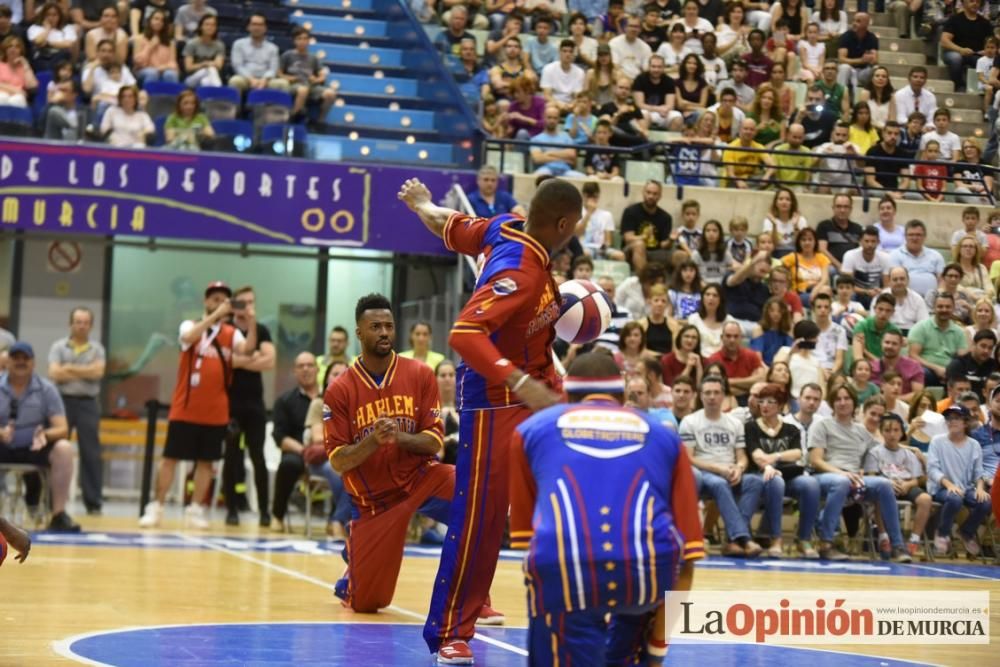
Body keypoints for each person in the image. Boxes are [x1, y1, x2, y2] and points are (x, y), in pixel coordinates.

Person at [399, 177, 581, 664]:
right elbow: (464, 333)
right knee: (480, 515)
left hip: (537, 382)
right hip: (496, 397)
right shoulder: (517, 270)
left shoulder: (506, 226)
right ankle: (450, 632)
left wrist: (422, 204)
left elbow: (449, 224)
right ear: (564, 224)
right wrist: (522, 384)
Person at [509, 353, 702, 666]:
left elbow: (526, 540)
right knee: (649, 581)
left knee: (549, 572)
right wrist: (657, 651)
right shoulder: (666, 435)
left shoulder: (529, 431)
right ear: (623, 396)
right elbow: (689, 557)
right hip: (646, 576)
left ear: (566, 395)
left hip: (567, 570)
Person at [323, 294, 453, 612]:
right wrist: (373, 441)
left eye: (389, 326)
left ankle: (474, 601)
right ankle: (355, 559)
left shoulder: (421, 375)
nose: (384, 332)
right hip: (374, 502)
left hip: (421, 479)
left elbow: (434, 442)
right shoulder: (340, 390)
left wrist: (399, 438)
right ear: (360, 333)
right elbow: (338, 461)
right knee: (368, 603)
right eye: (375, 326)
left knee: (476, 501)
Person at [139, 282, 256, 529]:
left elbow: (248, 348)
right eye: (215, 299)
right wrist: (216, 315)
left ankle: (195, 509)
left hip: (216, 411)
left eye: (224, 299)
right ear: (206, 301)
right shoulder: (191, 325)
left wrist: (251, 320)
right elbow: (187, 338)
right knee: (170, 459)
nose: (220, 303)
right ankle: (157, 507)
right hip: (185, 407)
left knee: (206, 462)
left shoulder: (230, 333)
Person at [809, 384, 912, 562]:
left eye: (847, 398)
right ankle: (826, 544)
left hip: (855, 478)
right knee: (841, 482)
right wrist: (842, 473)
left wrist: (909, 449)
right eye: (838, 399)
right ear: (832, 403)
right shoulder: (821, 425)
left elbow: (883, 450)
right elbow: (816, 460)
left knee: (884, 484)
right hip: (827, 475)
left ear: (854, 403)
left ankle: (897, 546)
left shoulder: (861, 431)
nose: (842, 402)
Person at [0, 342, 80, 532]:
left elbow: (62, 428)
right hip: (3, 446)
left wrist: (44, 434)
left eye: (25, 359)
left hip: (35, 448)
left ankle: (59, 514)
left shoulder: (47, 389)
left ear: (33, 363)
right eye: (16, 358)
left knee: (64, 448)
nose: (20, 362)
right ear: (7, 361)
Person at [681, 374, 763, 556]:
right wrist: (719, 469)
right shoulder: (690, 421)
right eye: (707, 393)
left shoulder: (735, 423)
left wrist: (739, 468)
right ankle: (744, 538)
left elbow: (741, 456)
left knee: (755, 482)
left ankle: (733, 541)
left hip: (729, 471)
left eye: (716, 392)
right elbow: (689, 459)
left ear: (724, 395)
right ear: (700, 396)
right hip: (704, 472)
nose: (711, 397)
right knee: (720, 484)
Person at [745, 382, 821, 558]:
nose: (764, 405)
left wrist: (775, 458)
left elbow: (797, 453)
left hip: (788, 474)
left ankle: (803, 539)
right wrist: (769, 466)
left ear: (780, 405)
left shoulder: (791, 428)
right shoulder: (751, 427)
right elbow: (756, 455)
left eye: (770, 402)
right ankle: (776, 539)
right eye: (761, 401)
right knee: (775, 481)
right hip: (760, 475)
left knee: (810, 484)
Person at [221, 286, 275, 527]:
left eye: (251, 302)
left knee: (258, 458)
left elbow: (270, 361)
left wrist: (241, 362)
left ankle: (264, 511)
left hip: (255, 405)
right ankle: (231, 509)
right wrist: (250, 359)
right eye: (243, 302)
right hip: (230, 404)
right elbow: (227, 361)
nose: (248, 307)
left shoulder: (261, 330)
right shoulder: (227, 330)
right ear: (234, 305)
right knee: (231, 457)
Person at [47, 307, 105, 516]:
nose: (81, 325)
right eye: (78, 321)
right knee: (56, 448)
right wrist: (84, 371)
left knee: (92, 452)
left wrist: (68, 368)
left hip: (88, 404)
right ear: (70, 323)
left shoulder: (97, 348)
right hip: (62, 403)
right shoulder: (58, 346)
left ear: (91, 325)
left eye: (86, 322)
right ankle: (51, 502)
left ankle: (93, 501)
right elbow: (54, 373)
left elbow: (98, 372)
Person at [928, 405, 992, 557]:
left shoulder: (974, 445)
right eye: (949, 418)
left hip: (965, 488)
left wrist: (980, 488)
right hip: (941, 489)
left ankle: (966, 532)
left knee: (986, 502)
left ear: (965, 422)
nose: (952, 422)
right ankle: (943, 533)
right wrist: (949, 485)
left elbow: (979, 472)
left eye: (956, 418)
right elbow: (932, 470)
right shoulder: (937, 441)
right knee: (955, 499)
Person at [864, 413, 931, 557]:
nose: (892, 434)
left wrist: (908, 484)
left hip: (907, 484)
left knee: (925, 499)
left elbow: (919, 478)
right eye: (887, 431)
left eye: (896, 430)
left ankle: (914, 540)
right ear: (881, 432)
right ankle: (883, 536)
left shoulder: (908, 453)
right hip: (886, 485)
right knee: (880, 494)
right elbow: (871, 477)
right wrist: (888, 482)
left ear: (902, 432)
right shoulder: (874, 452)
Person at [909, 293, 970, 387]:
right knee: (922, 373)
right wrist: (936, 368)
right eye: (940, 306)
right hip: (927, 370)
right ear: (934, 308)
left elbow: (963, 358)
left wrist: (949, 370)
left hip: (950, 372)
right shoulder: (921, 327)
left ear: (953, 308)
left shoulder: (959, 332)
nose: (944, 310)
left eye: (948, 307)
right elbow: (913, 356)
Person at [280, 26, 337, 119]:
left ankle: (320, 120)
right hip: (294, 85)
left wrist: (316, 79)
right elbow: (278, 73)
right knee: (303, 90)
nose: (302, 41)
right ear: (294, 41)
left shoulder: (313, 57)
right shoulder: (287, 55)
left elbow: (322, 75)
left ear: (309, 41)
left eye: (305, 39)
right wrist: (290, 78)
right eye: (299, 39)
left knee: (330, 94)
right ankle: (293, 116)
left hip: (310, 85)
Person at [619, 180, 673, 271]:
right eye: (648, 192)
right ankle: (644, 281)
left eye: (655, 194)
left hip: (655, 252)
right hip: (631, 250)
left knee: (681, 256)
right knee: (639, 245)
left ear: (660, 196)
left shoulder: (666, 217)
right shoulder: (631, 212)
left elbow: (664, 245)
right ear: (643, 193)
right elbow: (628, 238)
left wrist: (671, 240)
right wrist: (644, 236)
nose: (651, 196)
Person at [939, 0, 992, 93]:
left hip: (976, 54)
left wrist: (986, 51)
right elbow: (944, 41)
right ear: (963, 3)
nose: (975, 4)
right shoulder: (954, 19)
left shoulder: (985, 23)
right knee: (955, 58)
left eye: (978, 2)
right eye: (972, 1)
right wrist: (960, 49)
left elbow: (993, 43)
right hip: (955, 52)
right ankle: (959, 86)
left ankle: (984, 89)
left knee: (986, 61)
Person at [707, 321, 768, 400]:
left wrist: (728, 381)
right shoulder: (713, 359)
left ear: (741, 338)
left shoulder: (752, 355)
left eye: (736, 336)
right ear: (722, 337)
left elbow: (761, 380)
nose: (732, 340)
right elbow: (715, 386)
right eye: (728, 336)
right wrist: (748, 386)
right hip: (724, 401)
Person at [228, 14, 287, 93]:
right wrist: (251, 79)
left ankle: (277, 106)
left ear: (265, 28)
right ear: (248, 27)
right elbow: (238, 66)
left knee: (283, 84)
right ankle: (234, 106)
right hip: (245, 78)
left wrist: (264, 80)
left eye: (260, 25)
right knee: (235, 81)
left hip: (266, 79)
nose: (257, 28)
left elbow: (273, 69)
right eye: (254, 24)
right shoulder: (238, 44)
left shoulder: (273, 48)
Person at [888, 220, 943, 299]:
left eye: (918, 235)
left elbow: (942, 282)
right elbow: (895, 282)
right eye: (911, 235)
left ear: (925, 236)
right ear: (905, 237)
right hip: (905, 299)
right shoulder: (895, 255)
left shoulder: (936, 255)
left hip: (932, 301)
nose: (914, 238)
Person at [840, 225, 890, 309]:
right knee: (849, 294)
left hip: (876, 293)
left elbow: (887, 285)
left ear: (878, 242)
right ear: (860, 242)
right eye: (866, 241)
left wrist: (882, 291)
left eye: (873, 241)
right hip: (856, 293)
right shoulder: (850, 255)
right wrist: (866, 292)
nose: (870, 244)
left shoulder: (885, 257)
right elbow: (847, 285)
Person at [872, 330, 925, 401]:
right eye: (887, 342)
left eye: (894, 344)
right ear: (881, 343)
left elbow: (918, 394)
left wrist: (892, 400)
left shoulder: (914, 366)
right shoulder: (871, 366)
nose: (890, 346)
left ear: (901, 346)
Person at [946, 329, 998, 399]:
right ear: (974, 344)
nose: (986, 351)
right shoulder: (958, 364)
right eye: (983, 346)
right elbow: (953, 392)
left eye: (990, 348)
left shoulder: (994, 366)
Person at [131, 9, 179, 84]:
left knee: (171, 74)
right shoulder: (139, 39)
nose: (159, 22)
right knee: (152, 73)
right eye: (156, 19)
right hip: (143, 71)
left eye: (162, 20)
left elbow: (173, 63)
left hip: (163, 70)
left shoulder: (170, 42)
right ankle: (147, 95)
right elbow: (138, 63)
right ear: (150, 20)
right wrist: (150, 46)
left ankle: (171, 95)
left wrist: (162, 68)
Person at [100, 85, 153, 149]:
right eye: (123, 96)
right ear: (120, 98)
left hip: (136, 148)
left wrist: (143, 133)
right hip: (115, 147)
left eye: (130, 96)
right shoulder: (111, 111)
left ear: (135, 99)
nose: (126, 99)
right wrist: (111, 137)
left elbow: (150, 129)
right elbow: (104, 129)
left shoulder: (142, 115)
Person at [836, 12, 878, 89]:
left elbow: (875, 59)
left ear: (867, 23)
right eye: (853, 21)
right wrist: (861, 60)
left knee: (876, 69)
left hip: (864, 71)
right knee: (844, 67)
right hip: (849, 69)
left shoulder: (872, 38)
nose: (854, 23)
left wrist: (871, 59)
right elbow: (841, 59)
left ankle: (873, 98)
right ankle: (840, 94)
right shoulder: (845, 36)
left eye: (858, 21)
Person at [183, 13, 225, 88]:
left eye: (213, 25)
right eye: (207, 24)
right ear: (201, 26)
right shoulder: (192, 44)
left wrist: (208, 65)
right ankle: (218, 90)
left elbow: (219, 65)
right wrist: (204, 64)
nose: (210, 27)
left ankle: (213, 91)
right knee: (210, 69)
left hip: (209, 77)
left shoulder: (219, 45)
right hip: (192, 79)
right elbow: (188, 67)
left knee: (205, 81)